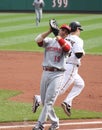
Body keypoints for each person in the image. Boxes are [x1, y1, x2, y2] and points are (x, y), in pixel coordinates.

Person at [32, 21, 85, 117]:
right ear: (77, 29)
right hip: (71, 67)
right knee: (60, 90)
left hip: (64, 64)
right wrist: (82, 53)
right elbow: (78, 54)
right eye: (79, 29)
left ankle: (67, 102)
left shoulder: (66, 37)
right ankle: (39, 99)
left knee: (80, 84)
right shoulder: (78, 40)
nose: (79, 31)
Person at [32, 21, 71, 130]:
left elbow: (66, 49)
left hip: (57, 75)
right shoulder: (49, 41)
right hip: (45, 73)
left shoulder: (68, 43)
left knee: (49, 101)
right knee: (45, 102)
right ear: (59, 29)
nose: (64, 32)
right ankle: (55, 122)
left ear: (67, 35)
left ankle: (40, 125)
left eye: (66, 32)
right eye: (62, 30)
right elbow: (37, 40)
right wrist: (50, 30)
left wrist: (57, 35)